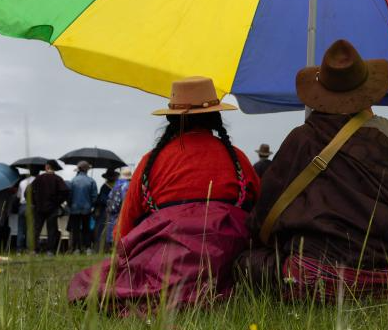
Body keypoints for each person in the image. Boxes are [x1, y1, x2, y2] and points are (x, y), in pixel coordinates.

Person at [237, 40, 388, 301]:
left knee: (246, 264)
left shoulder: (302, 139)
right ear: (366, 89)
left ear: (320, 92)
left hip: (316, 277)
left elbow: (265, 212)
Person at [68, 76, 261, 313]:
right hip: (227, 270)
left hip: (167, 269)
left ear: (171, 118)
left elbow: (124, 232)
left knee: (94, 281)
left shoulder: (152, 161)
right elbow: (260, 216)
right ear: (215, 115)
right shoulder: (238, 158)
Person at [31, 160, 69, 255]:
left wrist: (34, 202)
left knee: (36, 229)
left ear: (47, 167)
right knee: (52, 229)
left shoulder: (38, 178)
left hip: (39, 208)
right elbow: (65, 192)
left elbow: (28, 192)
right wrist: (57, 202)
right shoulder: (58, 179)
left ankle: (34, 250)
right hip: (52, 208)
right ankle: (50, 250)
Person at [68, 161, 98, 254]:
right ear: (87, 170)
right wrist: (92, 205)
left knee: (75, 229)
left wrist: (70, 205)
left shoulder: (72, 180)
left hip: (74, 208)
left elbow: (69, 196)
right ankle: (88, 248)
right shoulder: (91, 181)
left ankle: (76, 249)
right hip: (87, 208)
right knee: (86, 229)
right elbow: (94, 196)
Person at [101, 168, 131, 251]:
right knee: (121, 229)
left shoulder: (116, 185)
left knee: (112, 228)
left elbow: (109, 197)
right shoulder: (127, 185)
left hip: (112, 210)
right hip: (121, 211)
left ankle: (111, 246)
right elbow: (126, 199)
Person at [93, 168, 119, 252]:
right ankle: (105, 248)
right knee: (106, 230)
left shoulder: (106, 187)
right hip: (109, 211)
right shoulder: (108, 187)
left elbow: (101, 199)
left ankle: (105, 248)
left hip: (107, 211)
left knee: (104, 230)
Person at [16, 168, 39, 254]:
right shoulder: (37, 181)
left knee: (21, 228)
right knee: (30, 229)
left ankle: (19, 249)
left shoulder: (22, 182)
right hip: (32, 206)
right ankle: (29, 249)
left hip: (22, 206)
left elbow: (18, 196)